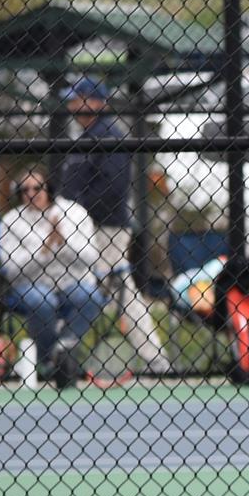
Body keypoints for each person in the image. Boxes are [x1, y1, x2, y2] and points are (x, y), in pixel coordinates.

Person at [58, 79, 171, 373]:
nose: (72, 105)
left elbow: (113, 187)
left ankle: (153, 357)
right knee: (81, 285)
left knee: (119, 288)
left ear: (97, 102)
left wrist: (77, 209)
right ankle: (62, 353)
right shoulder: (84, 135)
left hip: (105, 228)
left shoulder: (109, 134)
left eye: (79, 99)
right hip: (81, 227)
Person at [0, 164, 109, 386]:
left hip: (73, 281)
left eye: (37, 188)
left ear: (49, 187)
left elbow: (91, 257)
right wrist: (43, 250)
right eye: (25, 190)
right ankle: (50, 358)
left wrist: (64, 243)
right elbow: (10, 268)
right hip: (31, 284)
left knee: (90, 296)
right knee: (42, 300)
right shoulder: (10, 221)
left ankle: (63, 346)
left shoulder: (75, 213)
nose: (31, 194)